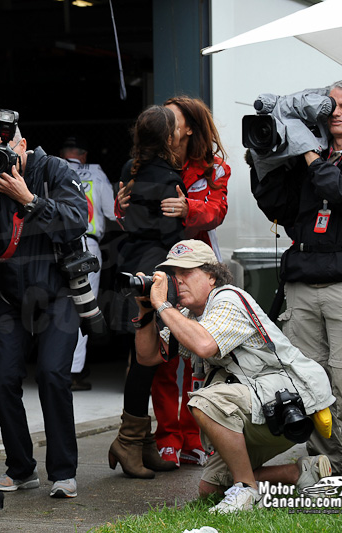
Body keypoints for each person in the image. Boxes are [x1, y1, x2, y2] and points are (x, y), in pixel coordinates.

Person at [251, 79, 342, 490]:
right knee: (312, 385)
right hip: (302, 281)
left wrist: (307, 149)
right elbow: (275, 204)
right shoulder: (308, 156)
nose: (335, 113)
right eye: (329, 107)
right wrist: (267, 156)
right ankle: (328, 469)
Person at [136, 239, 335, 513]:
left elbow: (205, 345)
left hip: (289, 407)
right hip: (261, 406)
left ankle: (246, 489)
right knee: (211, 488)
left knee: (205, 402)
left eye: (186, 272)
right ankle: (299, 473)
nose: (177, 281)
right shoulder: (189, 316)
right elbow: (147, 357)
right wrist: (147, 311)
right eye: (174, 274)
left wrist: (162, 305)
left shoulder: (228, 298)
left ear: (211, 275)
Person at [0, 115, 87, 498]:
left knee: (52, 375)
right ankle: (20, 469)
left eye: (1, 150)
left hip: (57, 294)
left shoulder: (55, 170)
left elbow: (77, 220)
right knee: (1, 383)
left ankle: (63, 473)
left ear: (22, 144)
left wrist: (28, 199)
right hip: (7, 297)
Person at [151, 97, 231, 467]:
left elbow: (217, 211)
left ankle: (193, 436)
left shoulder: (214, 168)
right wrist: (123, 204)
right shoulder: (147, 162)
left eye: (173, 118)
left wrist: (189, 209)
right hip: (157, 266)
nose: (165, 123)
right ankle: (166, 436)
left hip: (197, 272)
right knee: (164, 356)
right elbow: (130, 215)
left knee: (196, 358)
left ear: (189, 128)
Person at [108, 105, 186, 479]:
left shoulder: (129, 170)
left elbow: (129, 217)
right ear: (169, 138)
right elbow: (170, 232)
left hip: (133, 261)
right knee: (146, 360)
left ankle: (141, 442)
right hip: (154, 270)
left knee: (145, 359)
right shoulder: (169, 176)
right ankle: (129, 441)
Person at [59, 136, 116, 391]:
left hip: (56, 246)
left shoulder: (50, 168)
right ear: (83, 155)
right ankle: (73, 372)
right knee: (84, 306)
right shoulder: (95, 173)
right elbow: (113, 212)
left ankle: (56, 366)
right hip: (87, 245)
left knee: (59, 305)